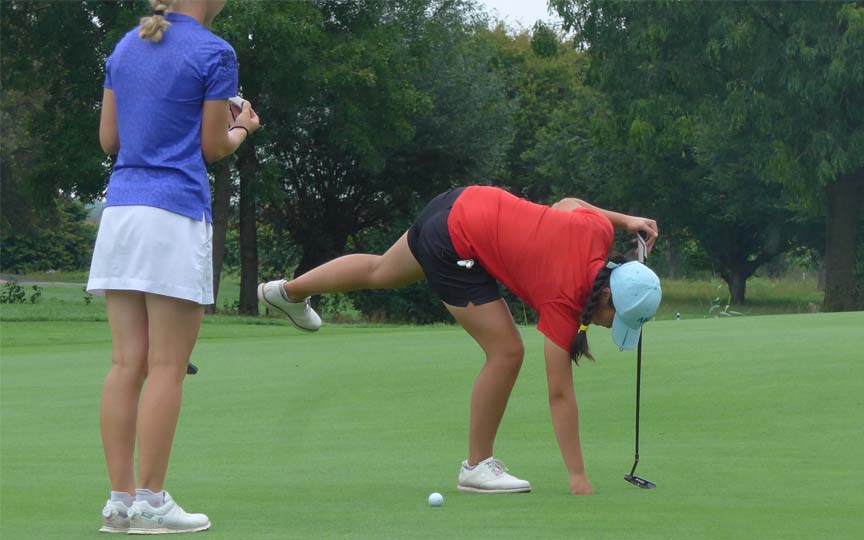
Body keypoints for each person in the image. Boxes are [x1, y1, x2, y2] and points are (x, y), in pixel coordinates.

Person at [258, 186, 662, 495]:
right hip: (456, 242)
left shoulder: (594, 232)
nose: (612, 327)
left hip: (460, 202)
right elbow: (559, 395)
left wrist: (626, 220)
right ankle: (476, 467)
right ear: (607, 295)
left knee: (381, 270)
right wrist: (578, 477)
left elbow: (568, 203)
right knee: (506, 351)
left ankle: (287, 292)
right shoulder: (565, 299)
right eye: (617, 319)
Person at [88, 0, 259, 533]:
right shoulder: (215, 51)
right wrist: (245, 128)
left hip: (121, 214)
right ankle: (152, 502)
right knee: (166, 366)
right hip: (174, 214)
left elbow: (110, 141)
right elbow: (212, 146)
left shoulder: (125, 44)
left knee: (125, 364)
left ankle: (119, 503)